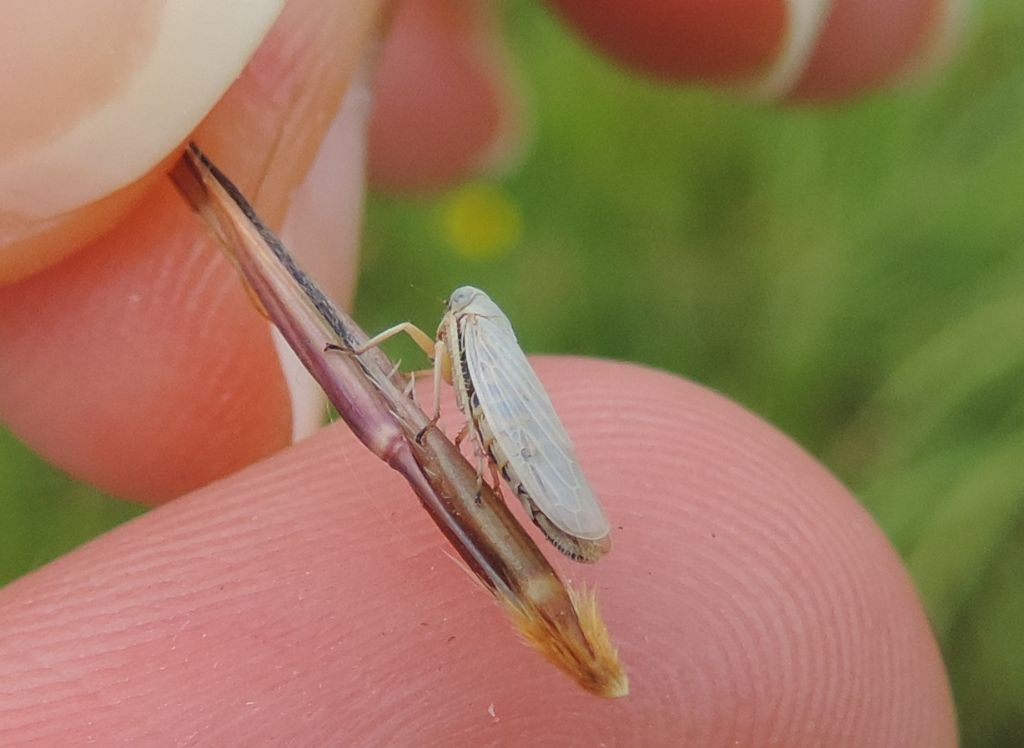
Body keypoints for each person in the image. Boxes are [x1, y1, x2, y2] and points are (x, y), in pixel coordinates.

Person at [0, 1, 959, 743]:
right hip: (497, 412)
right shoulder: (461, 328)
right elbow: (443, 366)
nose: (442, 326)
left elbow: (464, 390)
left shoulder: (461, 332)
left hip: (508, 426)